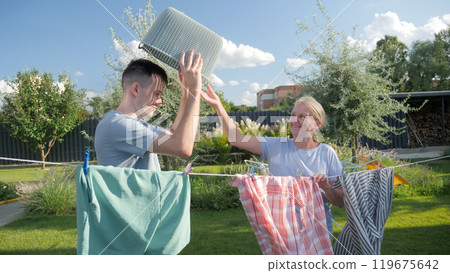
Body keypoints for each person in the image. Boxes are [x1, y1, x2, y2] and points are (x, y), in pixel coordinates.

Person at [200, 86, 344, 234]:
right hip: (281, 231)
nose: (295, 120)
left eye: (302, 116)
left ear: (317, 124)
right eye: (293, 115)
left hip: (318, 231)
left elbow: (340, 202)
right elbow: (236, 139)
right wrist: (218, 106)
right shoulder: (276, 146)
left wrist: (326, 186)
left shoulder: (327, 153)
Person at [95, 50, 203, 170]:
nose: (160, 102)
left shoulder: (127, 124)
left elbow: (174, 134)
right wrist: (195, 91)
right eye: (156, 94)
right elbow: (183, 147)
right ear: (136, 89)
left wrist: (186, 93)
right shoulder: (119, 125)